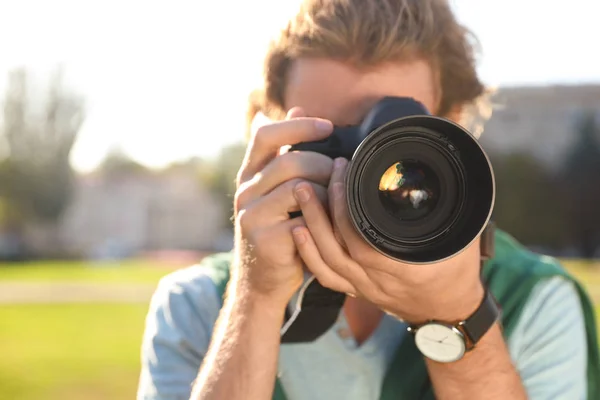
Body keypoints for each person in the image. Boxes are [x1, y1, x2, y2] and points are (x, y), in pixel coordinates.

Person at [137, 1, 600, 399]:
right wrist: (255, 299)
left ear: (452, 130)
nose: (361, 175)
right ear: (269, 132)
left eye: (394, 138)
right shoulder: (197, 304)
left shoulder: (534, 300)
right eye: (331, 138)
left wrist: (458, 314)